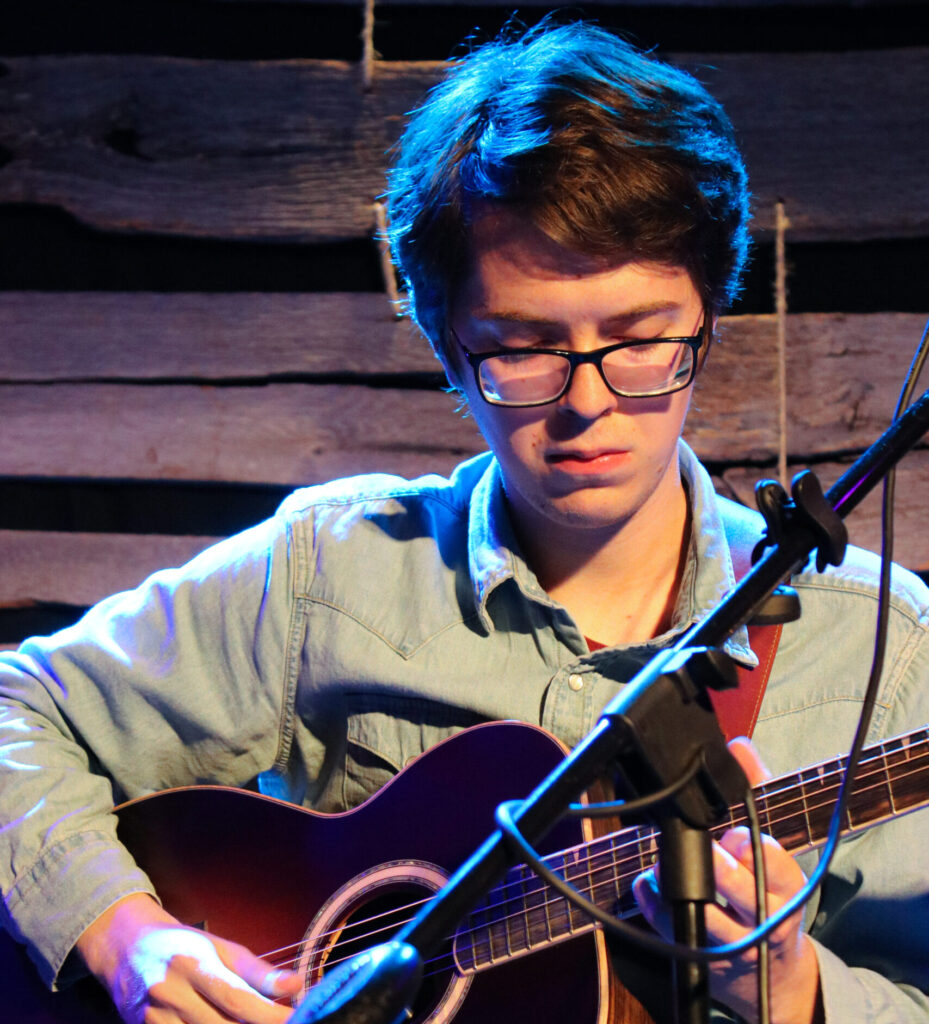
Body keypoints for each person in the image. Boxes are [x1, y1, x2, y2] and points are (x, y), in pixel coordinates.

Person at [1, 17, 928, 1024]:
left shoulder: (879, 645)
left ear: (708, 315)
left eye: (640, 338)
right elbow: (15, 709)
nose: (587, 402)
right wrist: (122, 928)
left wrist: (793, 994)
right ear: (448, 346)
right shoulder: (336, 571)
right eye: (523, 346)